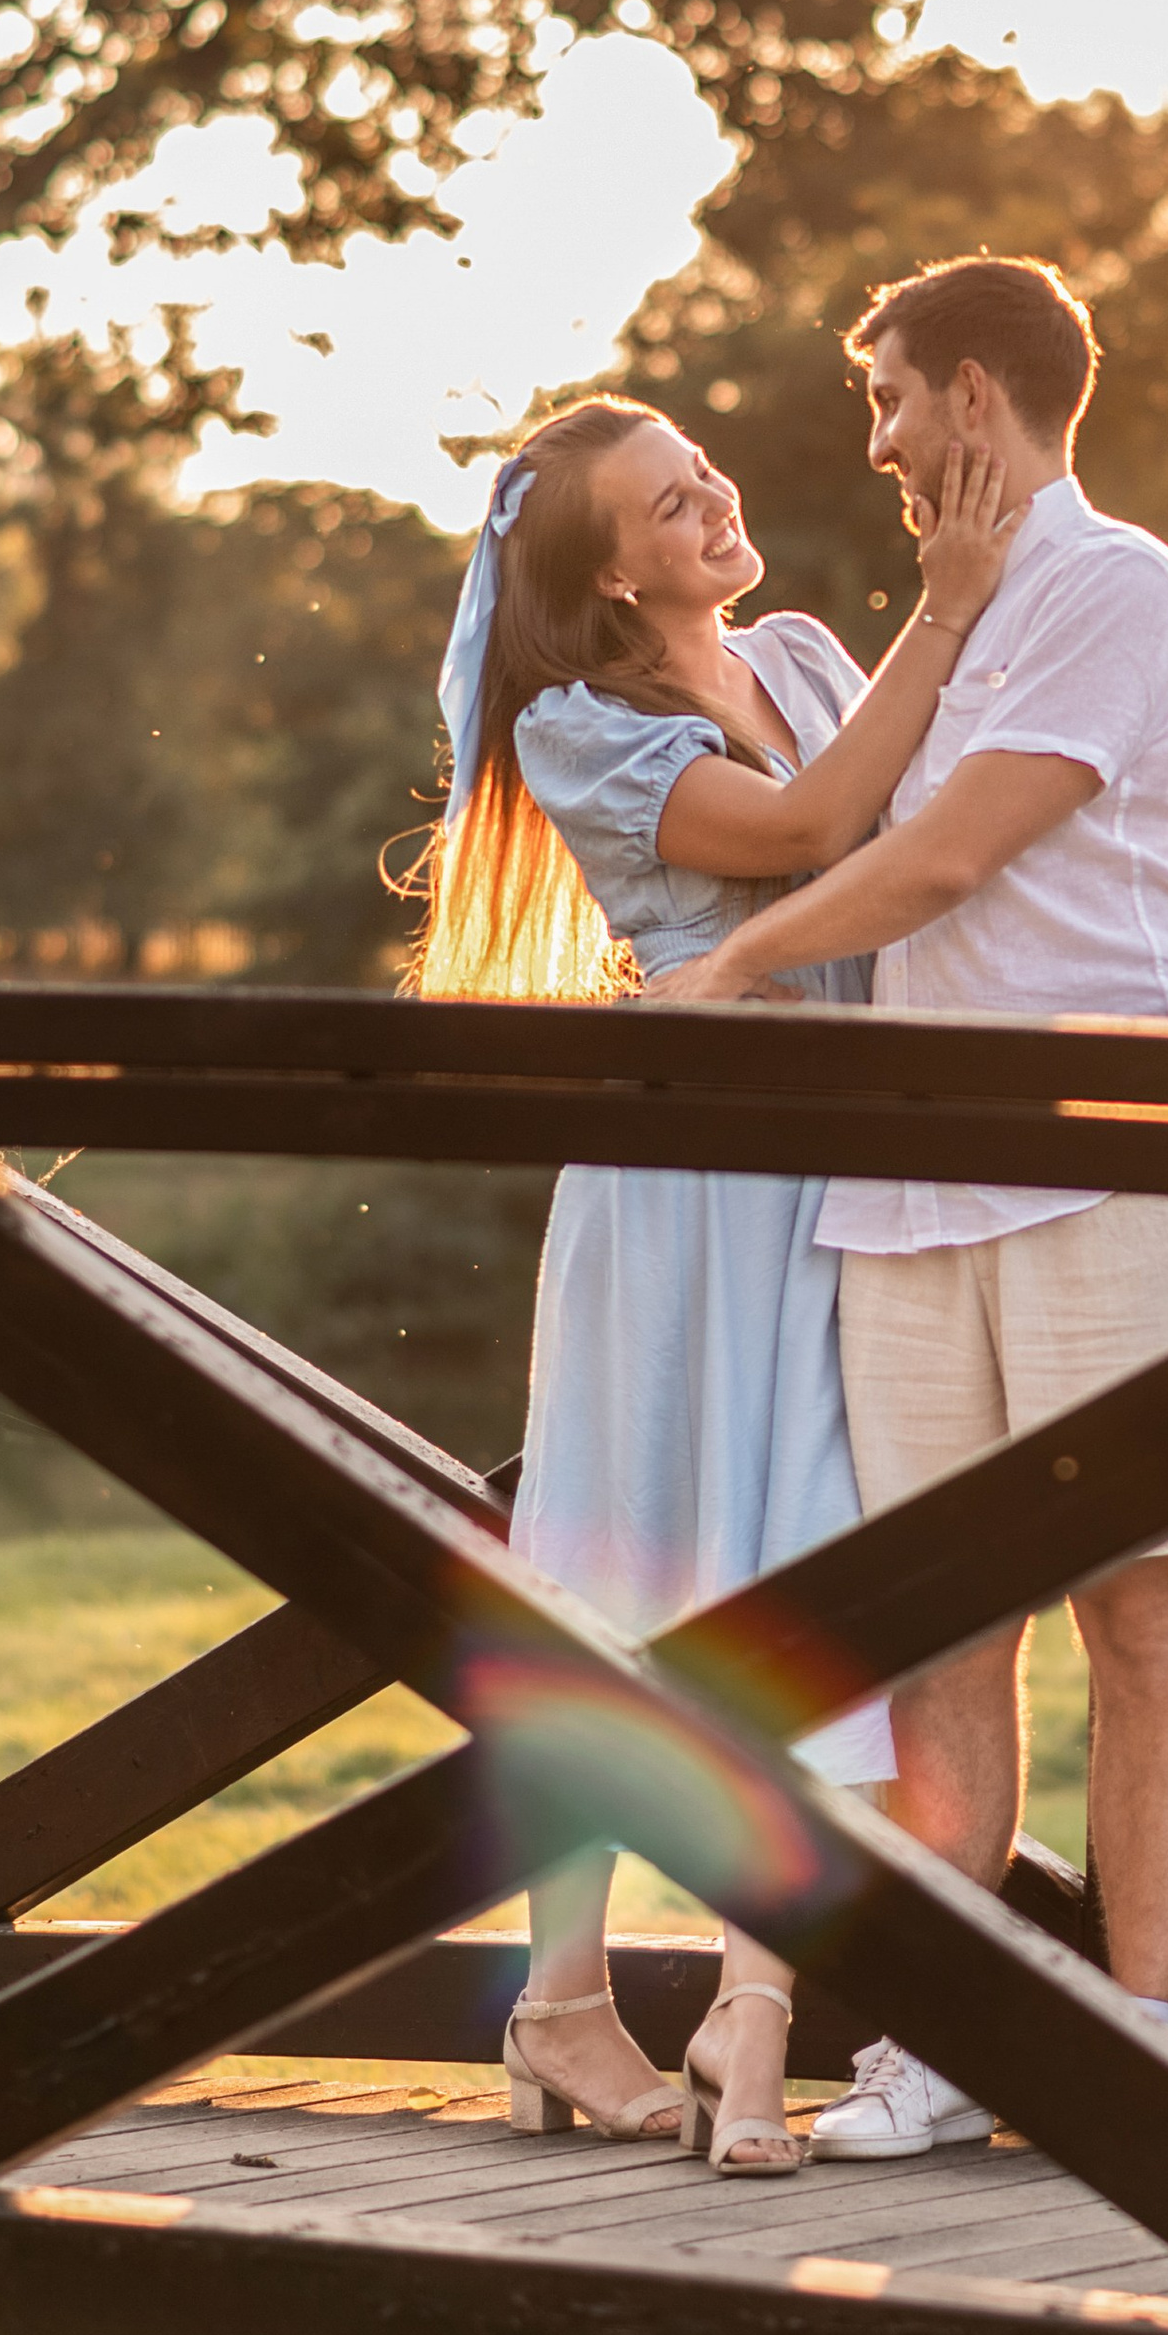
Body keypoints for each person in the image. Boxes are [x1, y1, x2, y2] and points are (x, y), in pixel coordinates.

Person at [645, 257, 1168, 2162]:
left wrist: (728, 982)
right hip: (909, 1195)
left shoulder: (1118, 586)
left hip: (1108, 1176)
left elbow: (945, 861)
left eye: (892, 400)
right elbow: (843, 832)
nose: (883, 441)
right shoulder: (960, 609)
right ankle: (942, 2043)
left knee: (1142, 1612)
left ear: (976, 398)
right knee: (937, 1641)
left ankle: (1139, 2036)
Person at [417, 394, 1020, 2177]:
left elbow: (917, 835)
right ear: (608, 570)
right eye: (673, 508)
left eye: (706, 481)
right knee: (629, 1558)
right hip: (685, 1186)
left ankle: (750, 2018)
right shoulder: (583, 730)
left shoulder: (814, 653)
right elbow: (819, 824)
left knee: (805, 1565)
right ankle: (564, 1995)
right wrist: (959, 597)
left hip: (835, 1165)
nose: (715, 509)